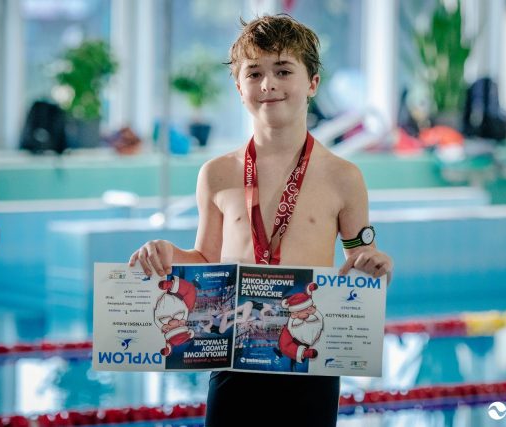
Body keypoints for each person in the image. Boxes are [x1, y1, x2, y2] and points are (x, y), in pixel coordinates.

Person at [129, 14, 393, 427]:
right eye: (254, 73)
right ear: (239, 88)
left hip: (309, 365)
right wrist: (167, 253)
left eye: (283, 71)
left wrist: (376, 267)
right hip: (234, 360)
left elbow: (360, 265)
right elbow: (206, 259)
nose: (268, 84)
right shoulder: (217, 174)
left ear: (312, 83)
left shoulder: (343, 177)